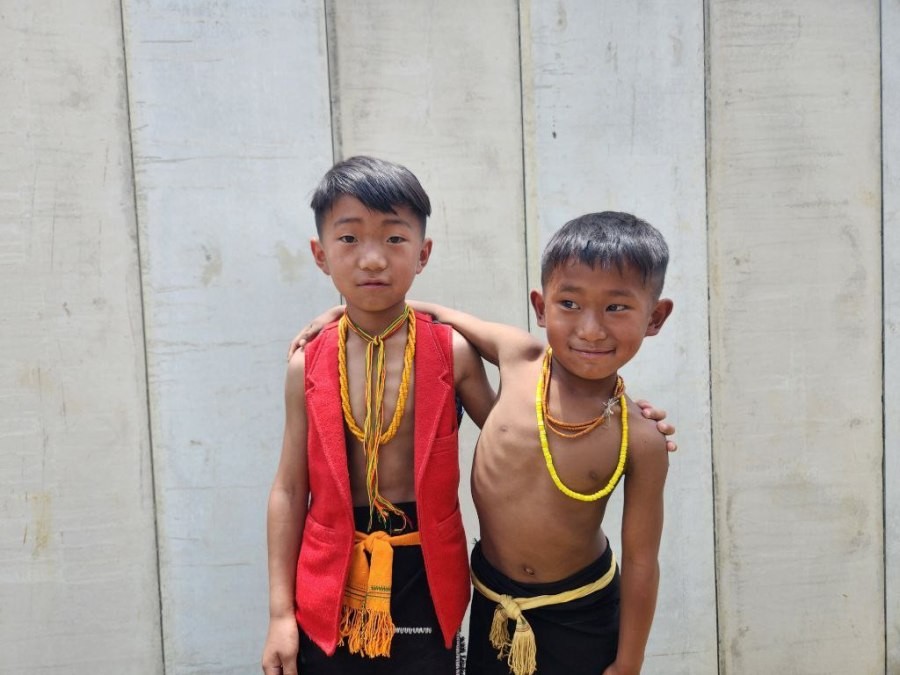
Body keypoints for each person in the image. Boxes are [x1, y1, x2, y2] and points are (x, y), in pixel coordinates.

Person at [288, 207, 677, 675]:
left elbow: (641, 561)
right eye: (570, 304)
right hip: (490, 600)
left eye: (616, 308)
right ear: (541, 306)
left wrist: (629, 662)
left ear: (655, 317)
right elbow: (417, 312)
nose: (590, 329)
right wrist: (340, 311)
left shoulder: (641, 437)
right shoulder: (518, 357)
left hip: (582, 609)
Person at [261, 155, 496, 675]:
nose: (372, 259)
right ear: (320, 255)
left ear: (423, 253)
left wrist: (606, 409)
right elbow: (288, 489)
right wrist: (280, 614)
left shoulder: (450, 351)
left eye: (394, 239)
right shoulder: (309, 363)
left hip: (428, 569)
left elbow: (515, 440)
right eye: (349, 239)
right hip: (330, 572)